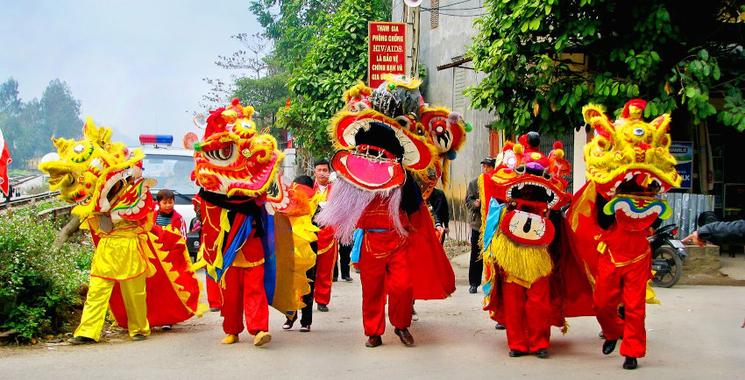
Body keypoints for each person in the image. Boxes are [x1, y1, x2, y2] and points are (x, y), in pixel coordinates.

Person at [282, 175, 319, 332]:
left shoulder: (316, 204)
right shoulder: (287, 204)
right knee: (292, 283)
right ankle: (293, 317)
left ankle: (304, 319)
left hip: (308, 247)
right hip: (290, 246)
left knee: (306, 282)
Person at [465, 157, 496, 294]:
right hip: (478, 224)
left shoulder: (497, 182)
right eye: (484, 166)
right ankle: (474, 283)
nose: (485, 169)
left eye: (488, 167)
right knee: (476, 255)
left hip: (494, 224)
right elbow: (468, 200)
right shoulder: (475, 183)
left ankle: (494, 282)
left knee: (494, 255)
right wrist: (475, 204)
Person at [312, 159, 338, 312]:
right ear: (314, 171)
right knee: (307, 269)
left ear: (329, 172)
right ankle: (304, 299)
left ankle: (322, 300)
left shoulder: (336, 190)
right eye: (319, 170)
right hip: (309, 234)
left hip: (329, 235)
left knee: (325, 270)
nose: (322, 173)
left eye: (324, 170)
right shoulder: (308, 188)